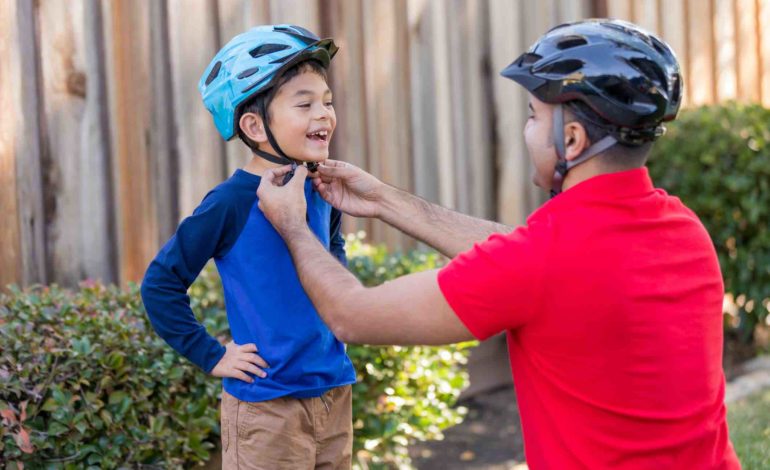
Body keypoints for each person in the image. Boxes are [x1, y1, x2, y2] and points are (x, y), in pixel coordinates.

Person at [256, 19, 741, 469]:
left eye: (533, 116)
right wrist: (384, 200)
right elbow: (524, 258)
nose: (526, 130)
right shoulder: (681, 229)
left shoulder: (542, 261)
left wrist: (294, 226)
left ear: (571, 140)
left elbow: (352, 315)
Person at [140, 24, 355, 469]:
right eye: (305, 104)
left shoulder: (322, 185)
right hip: (266, 408)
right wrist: (213, 354)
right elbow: (161, 283)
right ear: (255, 125)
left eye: (327, 102)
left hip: (334, 391)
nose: (324, 114)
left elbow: (333, 248)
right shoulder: (230, 203)